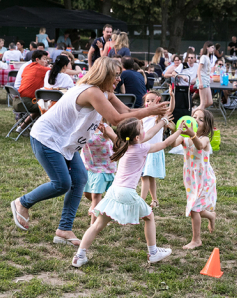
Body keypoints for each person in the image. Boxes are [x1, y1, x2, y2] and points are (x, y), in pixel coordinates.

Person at [11, 57, 170, 244]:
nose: (119, 79)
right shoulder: (91, 92)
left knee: (79, 179)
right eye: (116, 76)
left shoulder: (106, 93)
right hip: (47, 138)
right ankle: (22, 202)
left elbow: (126, 112)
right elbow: (117, 120)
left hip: (66, 142)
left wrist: (156, 116)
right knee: (62, 183)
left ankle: (64, 230)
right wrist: (151, 112)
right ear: (105, 75)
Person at [71, 115, 184, 268]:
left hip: (113, 191)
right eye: (142, 127)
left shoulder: (124, 144)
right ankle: (153, 252)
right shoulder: (142, 148)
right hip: (126, 192)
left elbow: (149, 134)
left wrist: (163, 122)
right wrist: (179, 131)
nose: (145, 130)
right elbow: (165, 143)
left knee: (97, 225)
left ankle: (79, 256)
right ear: (137, 137)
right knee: (149, 217)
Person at [170, 108, 217, 249]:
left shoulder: (204, 138)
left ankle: (196, 240)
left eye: (200, 119)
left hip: (204, 179)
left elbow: (200, 146)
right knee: (196, 208)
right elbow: (173, 143)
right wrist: (175, 130)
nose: (195, 120)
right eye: (194, 116)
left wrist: (192, 135)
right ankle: (211, 215)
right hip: (191, 179)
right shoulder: (185, 138)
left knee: (194, 209)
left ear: (206, 126)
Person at [141, 89, 175, 209]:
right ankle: (154, 199)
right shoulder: (143, 116)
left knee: (146, 177)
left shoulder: (159, 117)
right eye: (147, 101)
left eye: (152, 101)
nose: (149, 103)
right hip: (144, 150)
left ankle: (141, 202)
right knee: (148, 177)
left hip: (153, 151)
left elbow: (170, 109)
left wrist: (172, 97)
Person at [82, 122, 117, 225]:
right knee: (87, 194)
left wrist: (108, 134)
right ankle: (100, 208)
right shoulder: (82, 126)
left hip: (103, 167)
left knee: (96, 196)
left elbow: (117, 140)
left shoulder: (105, 127)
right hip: (88, 166)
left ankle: (93, 225)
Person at [12, 50, 50, 125]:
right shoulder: (40, 68)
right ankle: (41, 127)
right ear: (37, 59)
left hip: (18, 101)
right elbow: (58, 71)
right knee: (50, 106)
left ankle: (23, 126)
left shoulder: (27, 67)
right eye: (44, 59)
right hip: (26, 102)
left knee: (42, 104)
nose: (46, 61)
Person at [196, 42, 214, 111]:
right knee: (203, 103)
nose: (213, 49)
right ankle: (193, 114)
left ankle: (195, 110)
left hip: (206, 80)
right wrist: (200, 82)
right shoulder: (203, 57)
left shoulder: (207, 57)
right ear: (207, 47)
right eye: (212, 47)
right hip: (202, 79)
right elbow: (199, 70)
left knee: (210, 102)